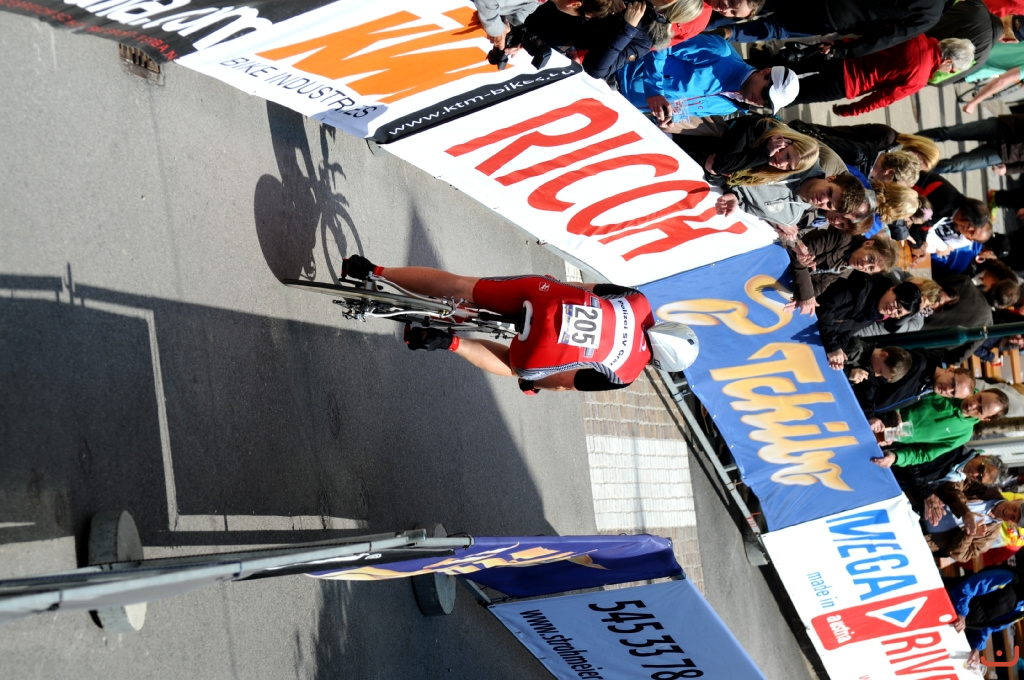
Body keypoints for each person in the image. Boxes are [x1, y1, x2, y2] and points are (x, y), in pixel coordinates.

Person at [341, 255, 699, 393]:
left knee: (461, 285)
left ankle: (370, 269)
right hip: (541, 349)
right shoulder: (625, 374)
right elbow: (564, 381)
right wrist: (532, 383)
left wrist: (550, 285)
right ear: (658, 363)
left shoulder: (638, 301)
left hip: (542, 296)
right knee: (517, 367)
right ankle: (447, 342)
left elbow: (584, 288)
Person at [617, 33, 799, 127]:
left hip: (622, 106)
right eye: (765, 94)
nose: (760, 101)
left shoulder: (730, 107)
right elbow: (663, 42)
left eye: (766, 103)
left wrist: (671, 118)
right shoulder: (720, 52)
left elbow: (686, 108)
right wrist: (654, 90)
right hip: (617, 70)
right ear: (765, 72)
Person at [788, 37, 976, 116]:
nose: (948, 73)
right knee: (793, 94)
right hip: (847, 82)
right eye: (952, 70)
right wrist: (851, 110)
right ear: (948, 61)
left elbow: (875, 33)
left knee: (786, 64)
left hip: (840, 53)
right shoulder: (919, 78)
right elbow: (883, 98)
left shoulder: (915, 36)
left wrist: (840, 41)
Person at [709, 0, 945, 59]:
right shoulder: (931, 13)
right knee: (776, 28)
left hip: (834, 11)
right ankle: (722, 34)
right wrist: (843, 49)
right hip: (838, 18)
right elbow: (887, 38)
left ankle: (705, 19)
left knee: (757, 2)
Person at [871, 389, 1010, 468]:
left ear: (985, 419)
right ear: (982, 391)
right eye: (979, 398)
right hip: (873, 410)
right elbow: (904, 390)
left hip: (881, 440)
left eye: (980, 409)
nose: (973, 405)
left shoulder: (963, 435)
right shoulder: (953, 388)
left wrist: (896, 457)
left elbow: (925, 453)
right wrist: (895, 412)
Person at [678, 115, 819, 186]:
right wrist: (764, 153)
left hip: (688, 170)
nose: (782, 163)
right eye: (787, 155)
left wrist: (714, 176)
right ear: (786, 140)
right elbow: (721, 165)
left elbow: (728, 184)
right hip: (680, 144)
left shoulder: (769, 171)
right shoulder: (756, 127)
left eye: (789, 167)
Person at [815, 276, 922, 369]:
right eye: (897, 304)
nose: (892, 310)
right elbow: (825, 307)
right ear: (893, 288)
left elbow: (846, 333)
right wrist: (833, 347)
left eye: (898, 313)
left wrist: (839, 353)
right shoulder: (860, 287)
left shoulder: (873, 316)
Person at [716, 171, 868, 234]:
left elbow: (747, 205)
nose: (822, 200)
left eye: (829, 205)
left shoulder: (789, 218)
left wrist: (734, 197)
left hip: (714, 185)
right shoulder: (802, 157)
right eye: (829, 192)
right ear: (831, 178)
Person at [785, 231, 900, 314]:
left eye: (870, 268)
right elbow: (799, 255)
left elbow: (821, 284)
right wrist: (806, 296)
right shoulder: (843, 238)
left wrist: (802, 298)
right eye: (870, 259)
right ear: (868, 244)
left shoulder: (847, 267)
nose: (864, 265)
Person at [945, 565, 1024, 669]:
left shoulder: (1021, 611)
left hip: (950, 623)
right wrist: (962, 613)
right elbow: (969, 586)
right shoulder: (1011, 578)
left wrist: (976, 647)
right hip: (942, 598)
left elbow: (988, 627)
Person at [920, 114, 1024, 175]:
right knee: (948, 132)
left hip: (1008, 154)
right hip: (1005, 126)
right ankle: (910, 141)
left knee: (954, 165)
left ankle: (915, 169)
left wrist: (1008, 169)